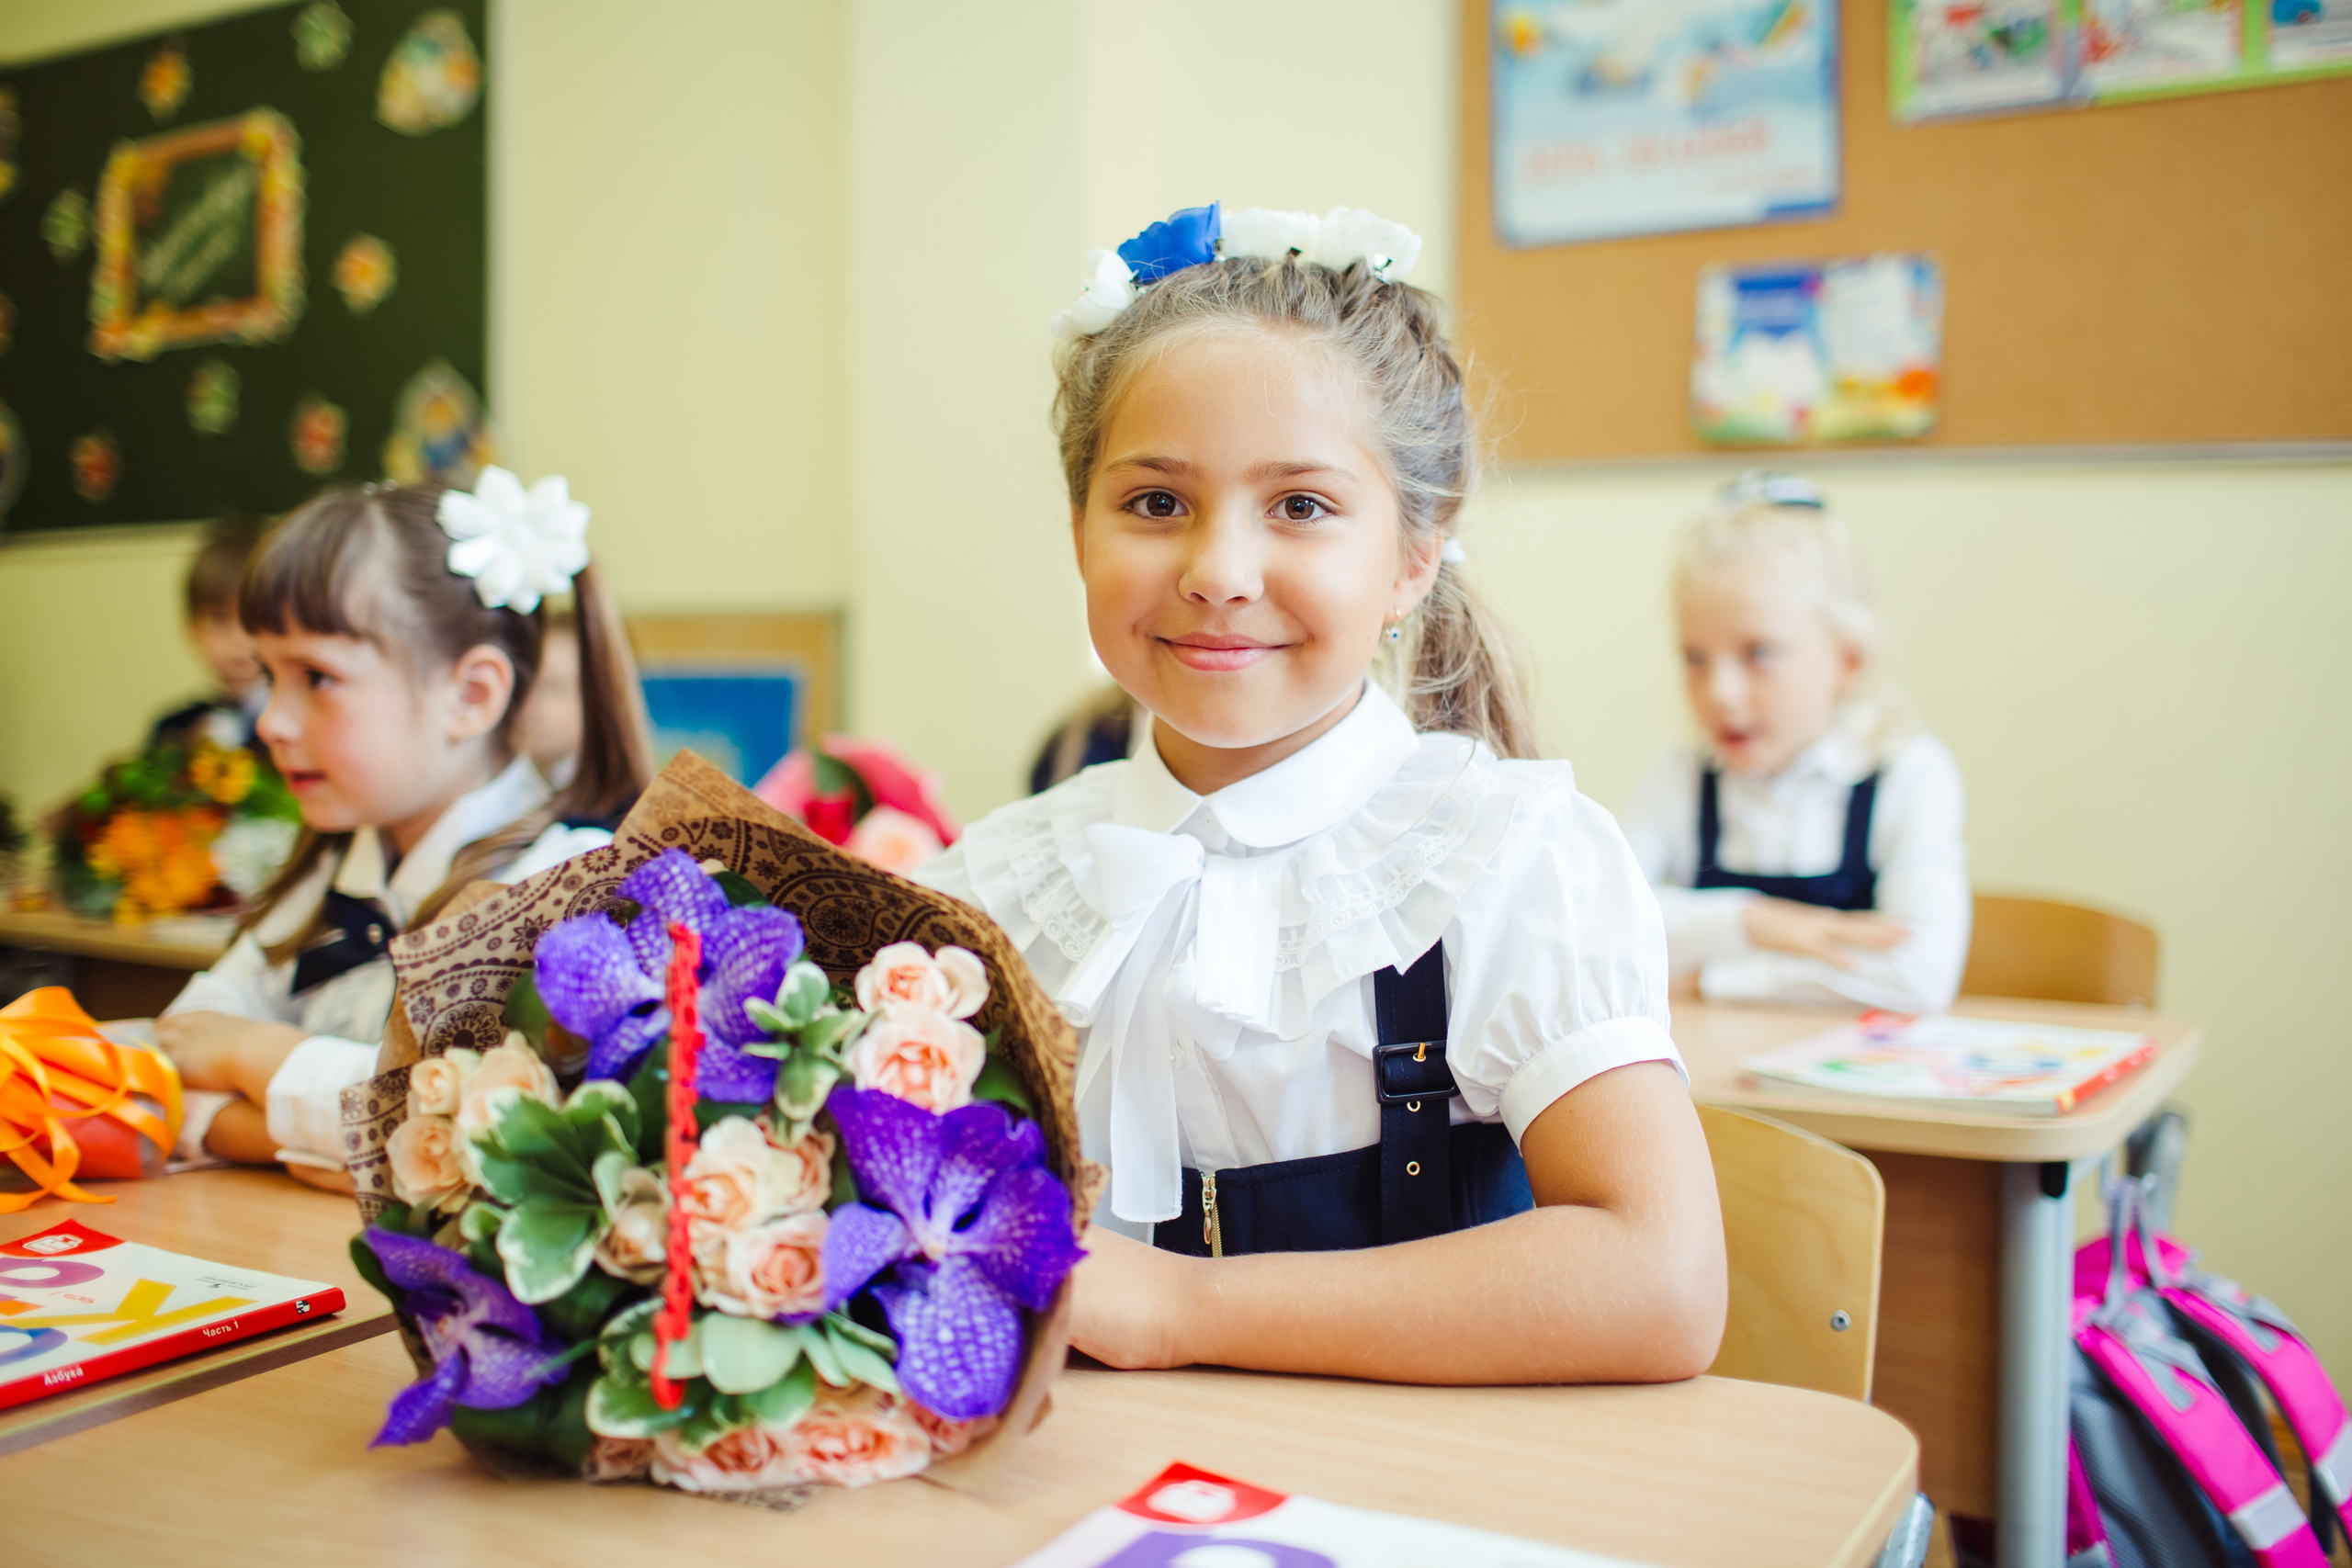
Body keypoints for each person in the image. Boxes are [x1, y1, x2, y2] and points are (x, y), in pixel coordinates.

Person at [915, 204, 1724, 1385]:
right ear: (1081, 530)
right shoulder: (996, 881)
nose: (1218, 573)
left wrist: (1182, 1307)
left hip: (1410, 1475)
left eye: (1299, 506)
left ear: (1413, 555)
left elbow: (1661, 1282)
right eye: (1155, 503)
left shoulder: (1508, 859)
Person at [154, 473, 651, 1190]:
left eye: (316, 677)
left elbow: (475, 1138)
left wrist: (252, 1057)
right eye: (269, 674)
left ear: (471, 695)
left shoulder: (565, 889)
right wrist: (338, 1130)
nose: (272, 721)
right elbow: (180, 1042)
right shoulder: (332, 867)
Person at [1619, 471, 1970, 1014]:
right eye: (1695, 658)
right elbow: (1604, 926)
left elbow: (1917, 976)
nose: (1720, 692)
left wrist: (1713, 977)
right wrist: (1753, 922)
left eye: (1759, 653)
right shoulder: (1679, 776)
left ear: (1847, 660)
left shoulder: (1908, 772)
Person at [149, 515, 269, 750]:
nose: (240, 644)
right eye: (220, 620)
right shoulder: (174, 731)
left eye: (254, 619)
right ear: (193, 627)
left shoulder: (302, 727)